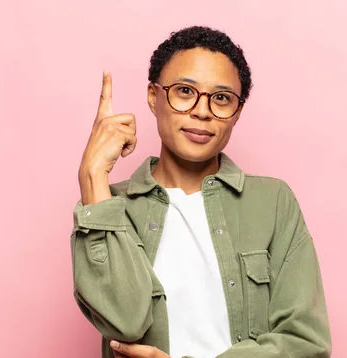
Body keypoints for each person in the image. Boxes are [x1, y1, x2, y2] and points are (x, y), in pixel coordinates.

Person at [71, 26, 332, 358]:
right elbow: (122, 323)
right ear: (154, 97)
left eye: (221, 98)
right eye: (184, 91)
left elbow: (306, 342)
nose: (202, 110)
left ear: (236, 113)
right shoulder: (107, 208)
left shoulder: (273, 202)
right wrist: (93, 176)